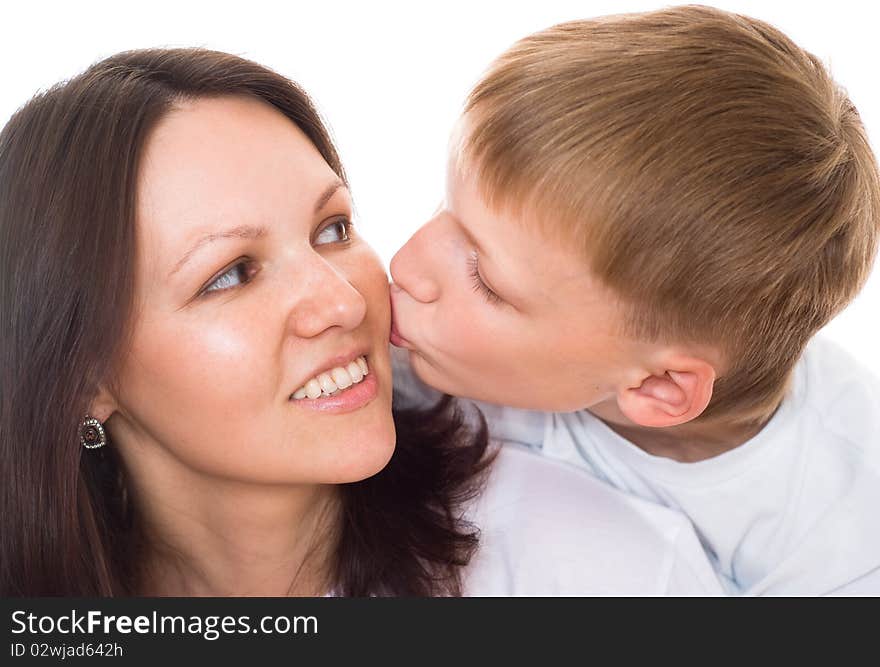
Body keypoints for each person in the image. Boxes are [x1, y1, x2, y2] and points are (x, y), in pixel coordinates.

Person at [0, 48, 721, 596]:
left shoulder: (600, 568)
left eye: (333, 229)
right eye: (231, 273)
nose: (346, 302)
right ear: (85, 376)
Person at [389, 5, 880, 594]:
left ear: (658, 388)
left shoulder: (844, 525)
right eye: (441, 208)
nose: (404, 264)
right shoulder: (425, 352)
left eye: (486, 282)